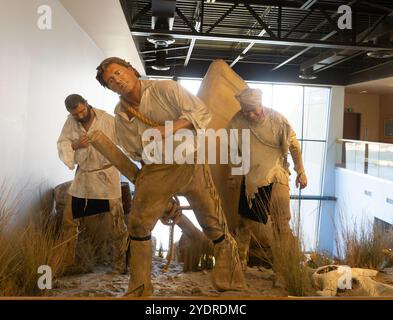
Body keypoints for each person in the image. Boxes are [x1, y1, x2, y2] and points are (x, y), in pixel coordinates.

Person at [95, 57, 246, 296]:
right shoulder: (121, 112)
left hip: (191, 161)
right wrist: (149, 180)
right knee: (138, 224)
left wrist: (169, 128)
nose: (117, 80)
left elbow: (201, 113)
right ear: (109, 88)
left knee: (213, 222)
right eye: (110, 80)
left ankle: (231, 277)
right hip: (156, 168)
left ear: (131, 70)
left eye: (119, 73)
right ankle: (140, 288)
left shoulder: (166, 88)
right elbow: (131, 147)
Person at [227, 88, 308, 270]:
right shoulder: (237, 122)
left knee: (282, 226)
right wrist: (232, 173)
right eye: (247, 111)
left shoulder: (278, 120)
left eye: (254, 109)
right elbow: (232, 149)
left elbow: (294, 145)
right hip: (252, 181)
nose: (252, 114)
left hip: (276, 176)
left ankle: (283, 270)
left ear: (260, 105)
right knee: (244, 225)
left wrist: (301, 171)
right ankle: (239, 267)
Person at [57, 94, 128, 274]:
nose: (80, 116)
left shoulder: (107, 120)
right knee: (68, 220)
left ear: (87, 104)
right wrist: (75, 145)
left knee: (117, 223)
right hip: (83, 178)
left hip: (106, 177)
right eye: (75, 114)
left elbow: (125, 140)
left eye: (82, 111)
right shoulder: (70, 123)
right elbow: (62, 143)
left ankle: (119, 265)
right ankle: (66, 264)